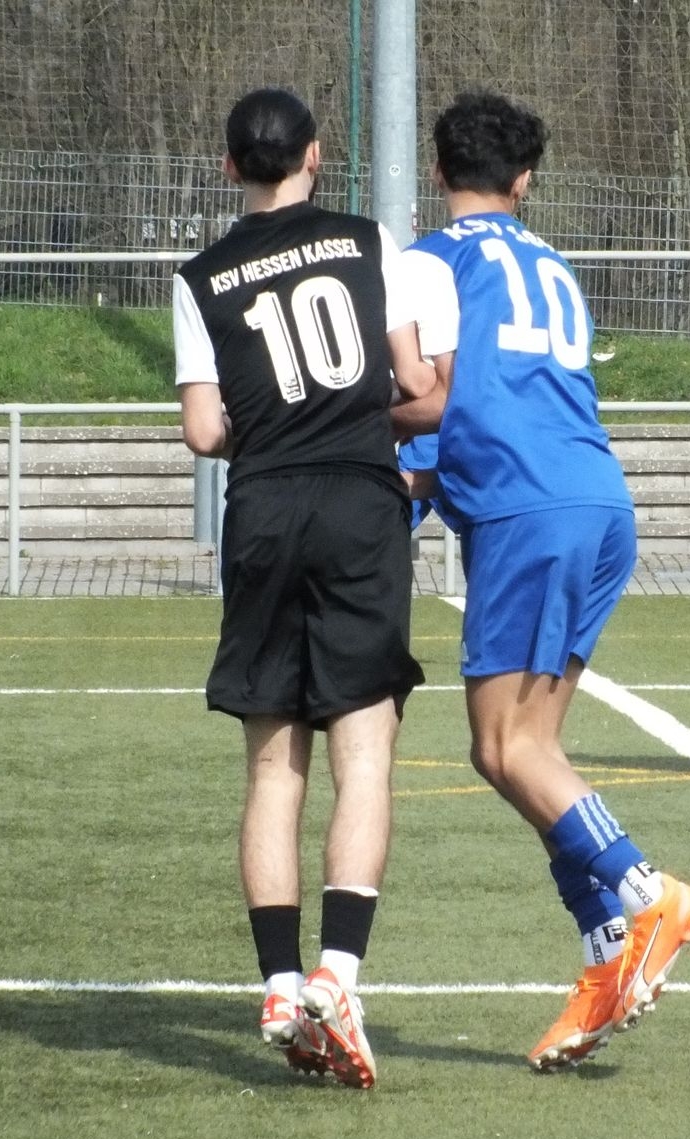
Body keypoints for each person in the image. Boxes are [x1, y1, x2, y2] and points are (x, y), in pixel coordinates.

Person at [396, 91, 690, 1072]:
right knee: (529, 751)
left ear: (437, 169)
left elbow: (430, 396)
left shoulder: (429, 261)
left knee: (503, 746)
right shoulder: (552, 263)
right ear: (524, 181)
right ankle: (605, 949)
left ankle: (647, 892)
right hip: (597, 499)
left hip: (525, 507)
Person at [172, 87, 440, 1088]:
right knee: (363, 753)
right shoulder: (371, 241)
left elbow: (205, 431)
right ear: (315, 156)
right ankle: (339, 973)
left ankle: (281, 985)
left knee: (273, 767)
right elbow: (416, 386)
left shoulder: (198, 276)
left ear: (228, 166)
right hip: (360, 501)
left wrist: (275, 427)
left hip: (264, 508)